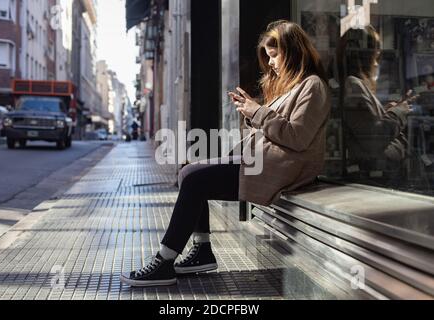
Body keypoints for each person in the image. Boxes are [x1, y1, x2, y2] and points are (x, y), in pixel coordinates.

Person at [120, 20, 331, 287]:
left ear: (292, 51)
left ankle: (165, 260)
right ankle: (202, 251)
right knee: (188, 170)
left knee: (196, 180)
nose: (271, 63)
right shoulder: (292, 87)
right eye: (268, 57)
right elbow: (273, 127)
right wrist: (249, 111)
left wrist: (256, 111)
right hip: (262, 162)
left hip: (282, 169)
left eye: (275, 56)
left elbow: (297, 137)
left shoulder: (313, 86)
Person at [337, 25, 415, 187]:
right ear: (366, 55)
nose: (378, 57)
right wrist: (398, 112)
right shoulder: (353, 85)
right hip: (371, 179)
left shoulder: (353, 84)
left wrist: (386, 111)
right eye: (375, 51)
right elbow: (373, 139)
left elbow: (366, 125)